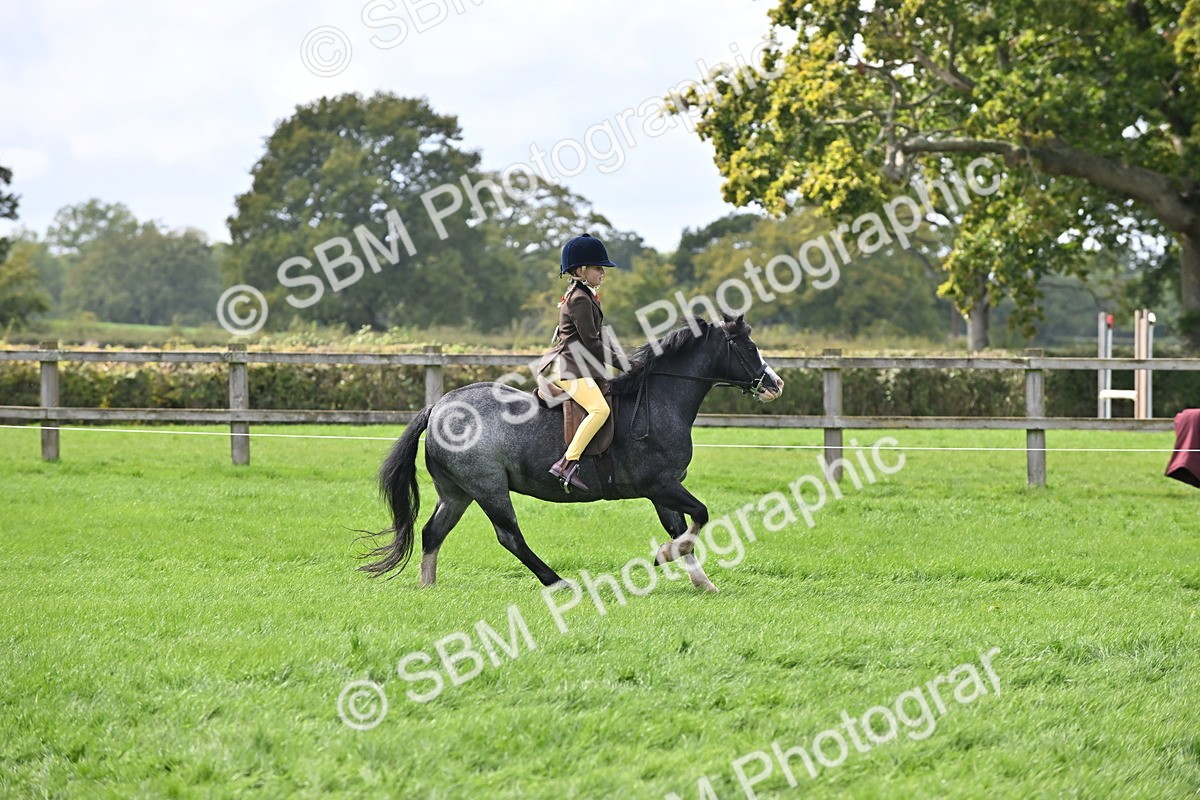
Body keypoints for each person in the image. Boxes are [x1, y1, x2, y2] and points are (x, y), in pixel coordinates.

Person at [537, 233, 621, 492]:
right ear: (580, 270)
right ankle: (566, 463)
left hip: (580, 368)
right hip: (571, 371)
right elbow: (592, 344)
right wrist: (625, 364)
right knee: (600, 410)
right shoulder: (579, 299)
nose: (602, 273)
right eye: (598, 268)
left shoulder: (584, 295)